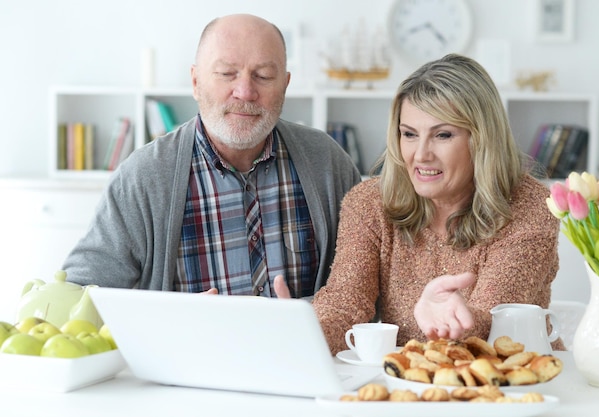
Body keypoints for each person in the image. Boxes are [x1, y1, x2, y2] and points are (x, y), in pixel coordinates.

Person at [62, 14, 361, 298]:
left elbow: (366, 285)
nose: (245, 92)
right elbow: (81, 290)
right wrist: (171, 318)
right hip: (183, 353)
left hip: (305, 353)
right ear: (195, 82)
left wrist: (313, 315)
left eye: (264, 76)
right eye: (226, 74)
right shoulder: (143, 178)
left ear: (284, 84)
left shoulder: (327, 164)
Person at [307, 54, 563, 355]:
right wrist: (301, 334)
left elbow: (494, 322)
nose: (421, 154)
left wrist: (451, 320)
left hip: (514, 380)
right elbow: (344, 306)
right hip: (409, 380)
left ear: (481, 139)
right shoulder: (369, 203)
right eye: (409, 134)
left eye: (443, 135)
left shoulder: (530, 206)